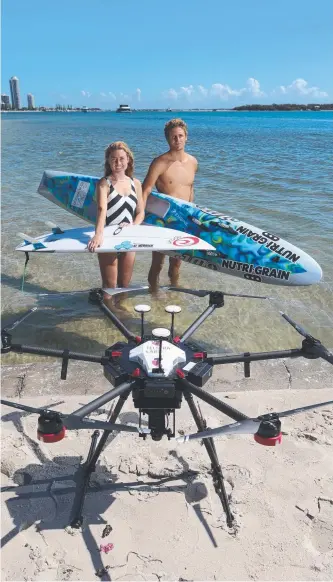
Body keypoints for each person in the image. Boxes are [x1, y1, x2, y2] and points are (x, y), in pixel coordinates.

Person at [142, 118, 198, 290]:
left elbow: (190, 188)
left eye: (180, 136)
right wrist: (140, 217)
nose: (177, 140)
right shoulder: (160, 162)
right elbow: (145, 190)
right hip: (163, 220)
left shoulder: (193, 162)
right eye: (173, 137)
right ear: (167, 139)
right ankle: (153, 293)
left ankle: (174, 291)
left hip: (183, 220)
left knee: (177, 263)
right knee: (158, 262)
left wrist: (193, 215)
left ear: (186, 137)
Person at [88, 141, 145, 305]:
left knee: (124, 287)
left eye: (121, 158)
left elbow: (141, 212)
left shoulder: (136, 184)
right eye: (113, 159)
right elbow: (101, 210)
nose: (118, 163)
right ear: (108, 161)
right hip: (108, 239)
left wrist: (133, 226)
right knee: (109, 288)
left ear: (128, 160)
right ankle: (109, 316)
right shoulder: (104, 183)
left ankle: (120, 316)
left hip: (129, 238)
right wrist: (98, 235)